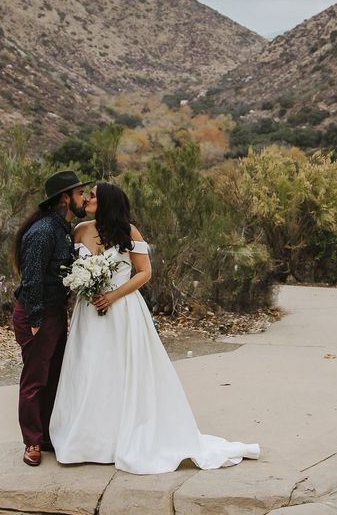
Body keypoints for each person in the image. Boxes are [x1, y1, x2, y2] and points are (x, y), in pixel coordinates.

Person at [49, 182, 260, 475]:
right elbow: (72, 268)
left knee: (123, 370)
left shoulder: (129, 232)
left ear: (107, 201)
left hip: (121, 310)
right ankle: (88, 440)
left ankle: (123, 437)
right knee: (90, 369)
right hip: (88, 312)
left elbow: (145, 272)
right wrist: (83, 286)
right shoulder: (80, 230)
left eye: (93, 195)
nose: (87, 199)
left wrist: (112, 295)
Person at [11, 169, 90, 467]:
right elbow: (30, 278)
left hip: (56, 313)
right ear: (64, 198)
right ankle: (32, 441)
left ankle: (46, 436)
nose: (83, 198)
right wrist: (35, 319)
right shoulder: (43, 231)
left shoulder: (64, 229)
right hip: (38, 314)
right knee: (35, 379)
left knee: (55, 375)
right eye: (80, 193)